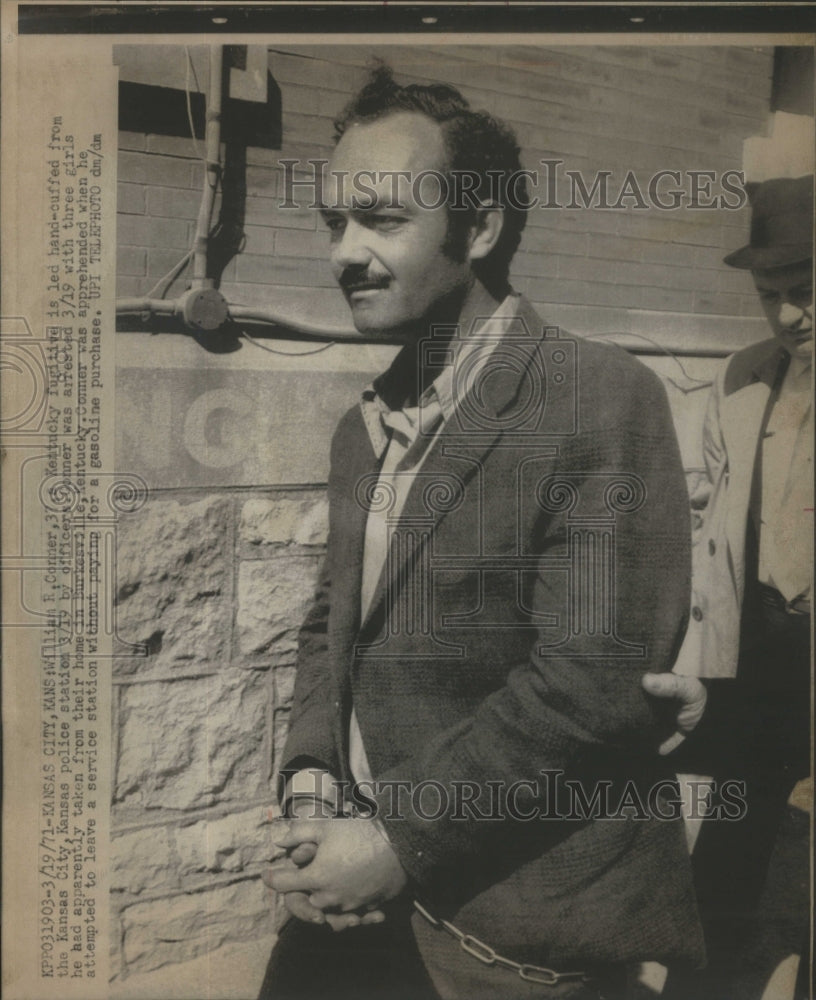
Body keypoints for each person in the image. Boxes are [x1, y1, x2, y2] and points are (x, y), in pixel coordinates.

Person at [260, 65, 704, 1000]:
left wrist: (395, 838)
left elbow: (592, 681)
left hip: (512, 936)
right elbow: (333, 622)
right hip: (354, 903)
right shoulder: (363, 426)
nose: (343, 252)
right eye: (332, 221)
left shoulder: (596, 398)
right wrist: (310, 784)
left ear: (482, 226)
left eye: (381, 220)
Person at [643, 174, 813, 999]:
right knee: (733, 836)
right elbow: (709, 511)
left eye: (807, 292)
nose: (787, 316)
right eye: (769, 294)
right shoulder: (743, 376)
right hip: (758, 656)